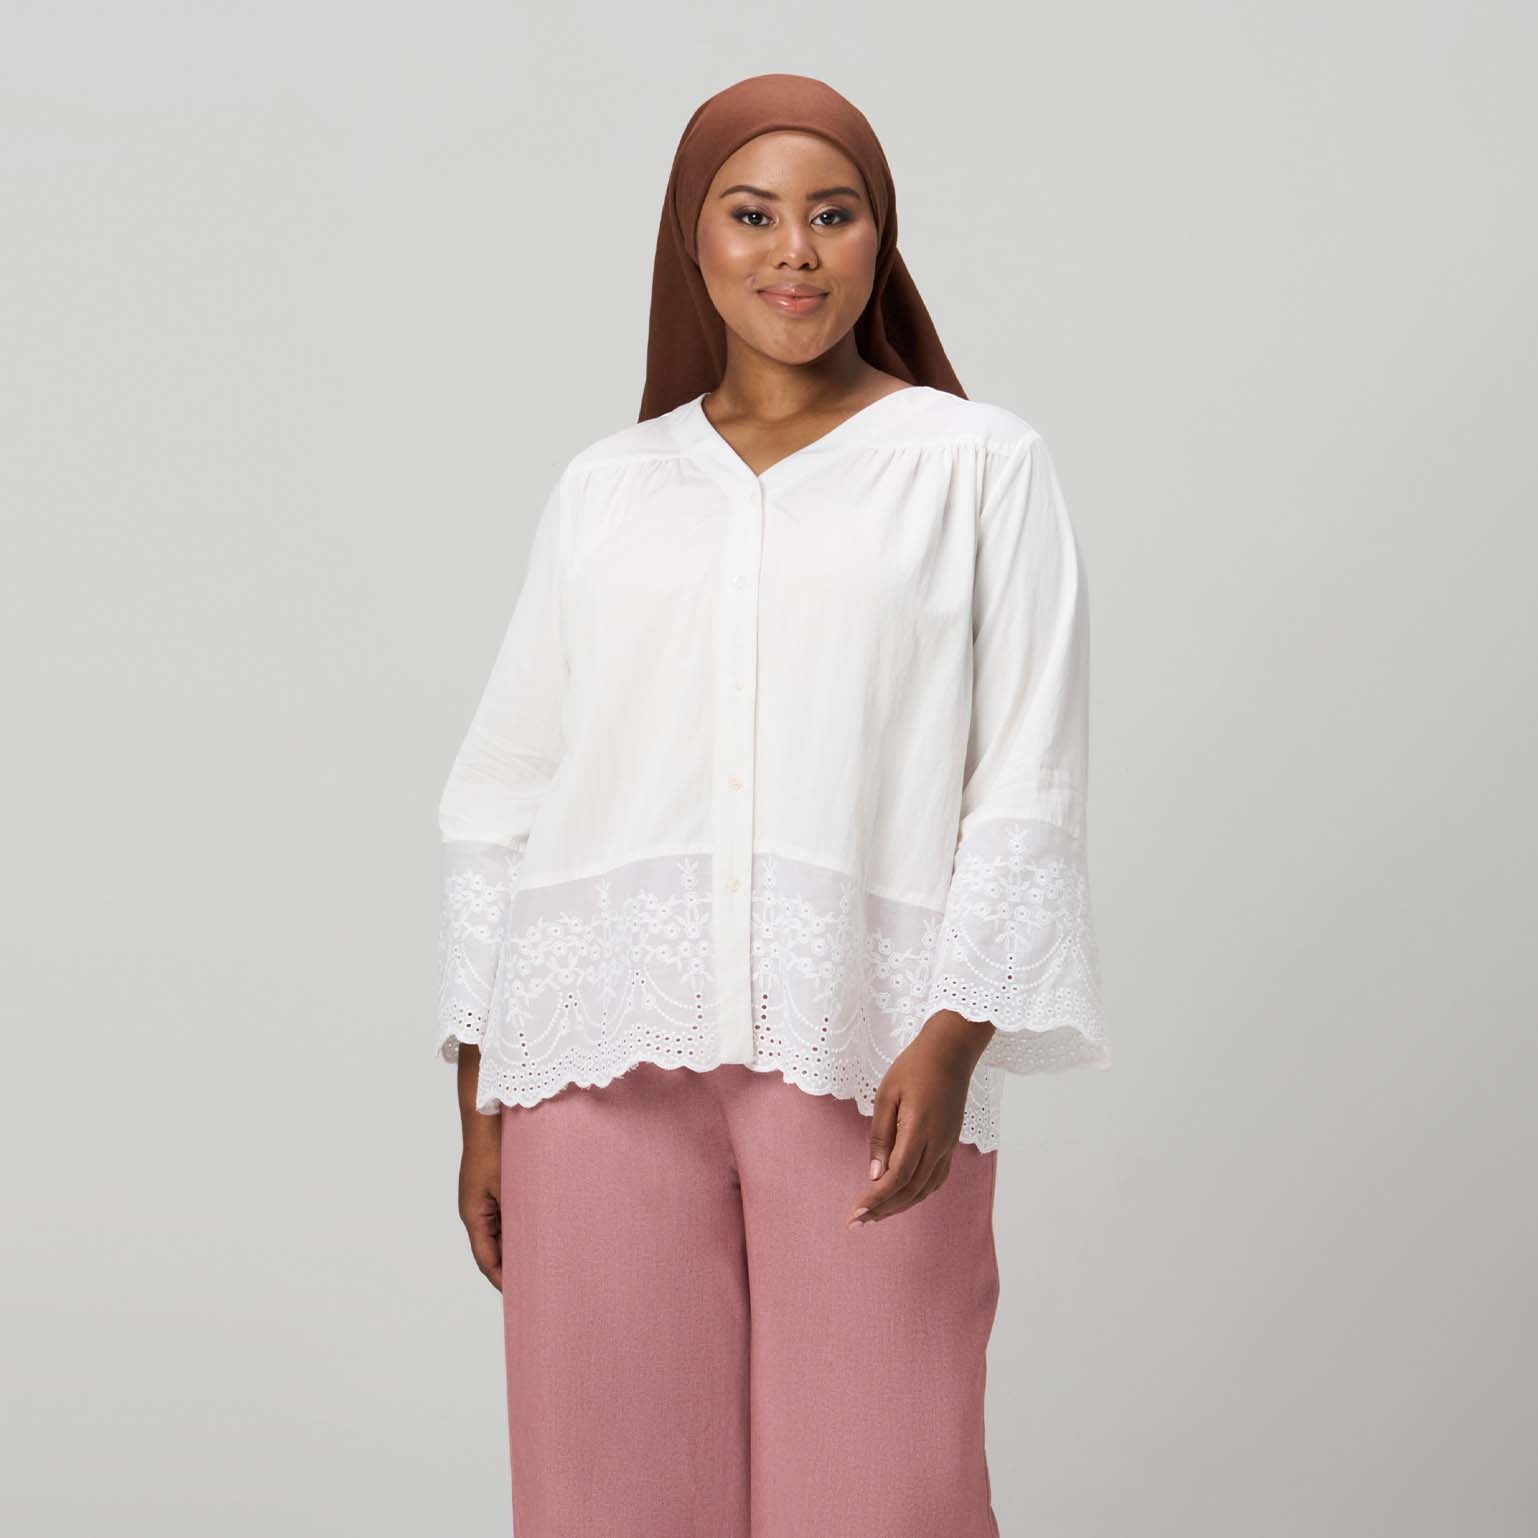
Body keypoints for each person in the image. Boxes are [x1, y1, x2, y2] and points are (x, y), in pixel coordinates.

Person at [432, 71, 1110, 1538]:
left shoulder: (976, 466)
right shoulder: (607, 489)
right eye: (751, 215)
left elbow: (1026, 778)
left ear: (880, 238)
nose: (792, 250)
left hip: (862, 1040)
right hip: (591, 1056)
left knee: (882, 1486)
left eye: (832, 214)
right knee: (605, 1496)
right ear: (693, 236)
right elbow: (502, 795)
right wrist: (481, 1100)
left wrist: (955, 1028)